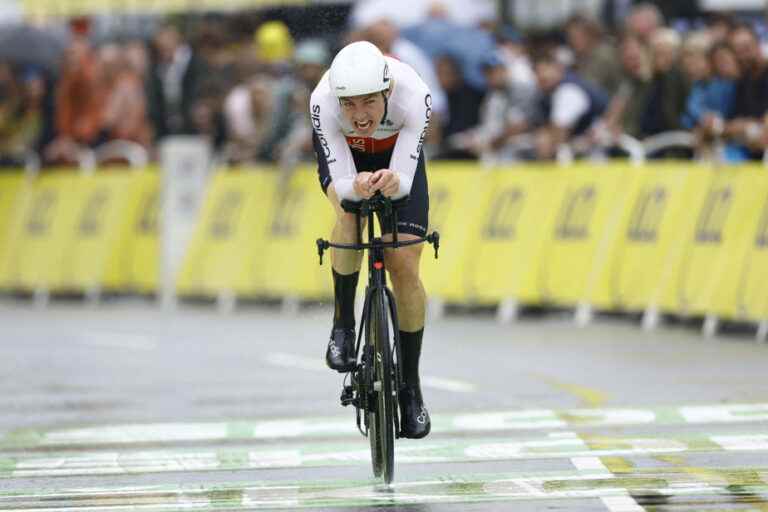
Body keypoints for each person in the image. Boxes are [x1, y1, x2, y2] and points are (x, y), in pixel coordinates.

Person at [310, 41, 432, 439]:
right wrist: (354, 186)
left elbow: (406, 181)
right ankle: (343, 322)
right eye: (350, 105)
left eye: (368, 103)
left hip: (398, 158)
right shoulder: (322, 102)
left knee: (402, 263)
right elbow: (341, 181)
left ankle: (410, 387)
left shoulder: (415, 94)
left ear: (387, 92)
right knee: (347, 215)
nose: (359, 116)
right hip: (348, 158)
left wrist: (393, 183)